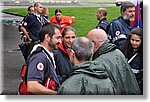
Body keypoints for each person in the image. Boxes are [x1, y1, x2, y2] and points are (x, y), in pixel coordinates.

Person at [87, 29, 141, 95]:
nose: (134, 43)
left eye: (88, 43)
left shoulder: (98, 63)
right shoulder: (118, 52)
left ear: (94, 43)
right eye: (132, 40)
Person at [26, 22, 62, 95]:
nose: (60, 41)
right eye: (57, 38)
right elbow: (32, 86)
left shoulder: (47, 54)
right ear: (47, 37)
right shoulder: (39, 57)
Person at [120, 27, 143, 94]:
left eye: (137, 41)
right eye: (132, 40)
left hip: (137, 85)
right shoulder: (123, 49)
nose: (134, 43)